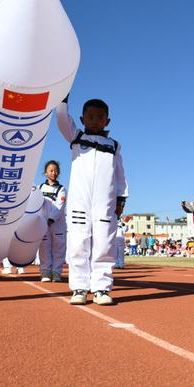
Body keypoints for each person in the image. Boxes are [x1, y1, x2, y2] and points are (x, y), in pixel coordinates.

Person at [56, 96, 128, 305]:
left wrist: (121, 197)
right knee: (78, 243)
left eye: (100, 117)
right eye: (90, 116)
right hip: (80, 201)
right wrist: (63, 96)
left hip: (105, 203)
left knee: (104, 245)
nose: (95, 120)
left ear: (107, 121)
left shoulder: (114, 145)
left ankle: (101, 289)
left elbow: (120, 175)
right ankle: (79, 287)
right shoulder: (76, 137)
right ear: (82, 118)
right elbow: (61, 118)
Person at [38, 160, 68, 282]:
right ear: (45, 173)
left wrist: (51, 218)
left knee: (58, 247)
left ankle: (56, 272)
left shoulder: (61, 189)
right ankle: (45, 272)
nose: (53, 173)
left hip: (57, 224)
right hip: (43, 222)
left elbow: (60, 204)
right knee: (44, 247)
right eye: (51, 170)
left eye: (56, 170)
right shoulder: (39, 188)